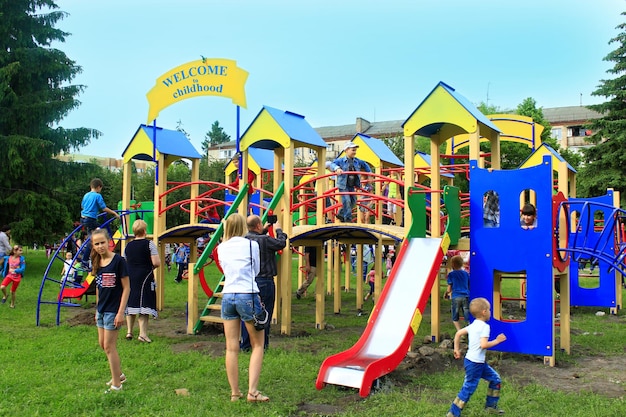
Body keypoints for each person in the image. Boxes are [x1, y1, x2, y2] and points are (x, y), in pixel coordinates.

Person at [217, 213, 269, 403]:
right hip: (248, 293)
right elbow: (255, 270)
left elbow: (224, 269)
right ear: (243, 227)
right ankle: (252, 391)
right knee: (257, 345)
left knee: (231, 347)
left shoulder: (221, 247)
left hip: (228, 295)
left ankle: (234, 393)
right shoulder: (250, 245)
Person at [447, 297, 507, 417]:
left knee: (495, 379)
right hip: (475, 364)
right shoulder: (485, 327)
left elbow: (458, 333)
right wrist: (497, 341)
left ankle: (490, 407)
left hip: (475, 362)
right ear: (484, 312)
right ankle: (453, 413)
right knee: (468, 388)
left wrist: (456, 349)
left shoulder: (473, 325)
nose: (490, 312)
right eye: (489, 309)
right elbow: (484, 345)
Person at [240, 214, 288, 351]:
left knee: (248, 314)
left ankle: (246, 345)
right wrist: (279, 230)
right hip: (265, 280)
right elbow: (281, 243)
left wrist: (264, 229)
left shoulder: (244, 240)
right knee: (265, 313)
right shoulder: (266, 240)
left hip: (248, 281)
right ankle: (262, 345)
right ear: (258, 226)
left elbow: (258, 239)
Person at [91, 228, 130, 394]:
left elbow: (127, 287)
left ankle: (117, 385)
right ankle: (119, 375)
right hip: (102, 310)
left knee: (109, 346)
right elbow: (99, 288)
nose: (100, 246)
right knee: (103, 344)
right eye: (97, 243)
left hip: (114, 311)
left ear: (109, 243)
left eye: (102, 242)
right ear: (93, 246)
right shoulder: (97, 262)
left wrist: (121, 312)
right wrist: (96, 308)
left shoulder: (119, 261)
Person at [124, 220, 160, 343]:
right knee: (144, 304)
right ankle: (143, 334)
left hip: (130, 276)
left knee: (131, 302)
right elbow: (156, 262)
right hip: (145, 276)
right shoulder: (149, 244)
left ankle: (129, 331)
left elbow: (125, 261)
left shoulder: (128, 246)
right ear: (145, 231)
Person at [326, 142, 371, 222]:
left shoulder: (357, 161)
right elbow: (332, 164)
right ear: (346, 150)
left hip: (352, 185)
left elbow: (365, 165)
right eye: (353, 150)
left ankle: (341, 213)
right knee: (347, 200)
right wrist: (337, 168)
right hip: (343, 185)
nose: (354, 152)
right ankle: (348, 219)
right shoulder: (340, 161)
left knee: (353, 202)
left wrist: (370, 174)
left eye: (355, 150)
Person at [445, 255, 471, 331]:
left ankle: (459, 332)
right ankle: (469, 328)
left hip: (456, 296)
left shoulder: (451, 274)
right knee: (467, 314)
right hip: (466, 296)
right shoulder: (466, 274)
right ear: (462, 263)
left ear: (452, 264)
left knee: (455, 316)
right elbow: (469, 285)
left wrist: (446, 293)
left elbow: (449, 288)